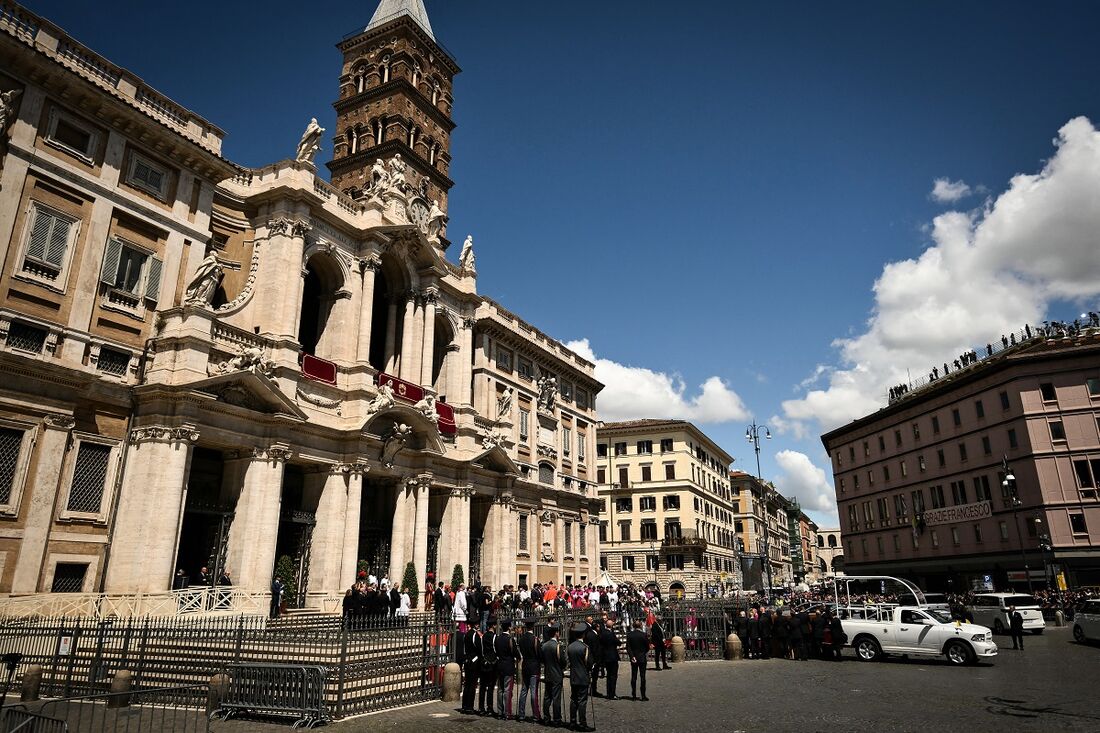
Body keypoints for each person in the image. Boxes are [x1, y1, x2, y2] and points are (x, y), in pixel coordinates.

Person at [567, 624, 594, 732]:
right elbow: (589, 663)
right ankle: (582, 723)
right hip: (583, 676)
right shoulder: (585, 648)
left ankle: (572, 722)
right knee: (582, 701)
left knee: (573, 699)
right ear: (583, 634)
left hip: (573, 676)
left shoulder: (570, 647)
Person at [540, 625, 567, 725]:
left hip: (548, 674)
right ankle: (557, 719)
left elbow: (542, 660)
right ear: (556, 633)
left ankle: (546, 718)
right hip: (556, 675)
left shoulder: (544, 646)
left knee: (547, 697)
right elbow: (563, 662)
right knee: (556, 698)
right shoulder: (558, 646)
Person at [516, 620, 541, 722]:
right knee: (533, 693)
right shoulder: (535, 639)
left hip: (525, 665)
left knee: (523, 691)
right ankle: (536, 715)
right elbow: (539, 654)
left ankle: (521, 714)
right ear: (533, 627)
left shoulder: (521, 639)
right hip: (534, 667)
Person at [495, 620, 518, 720]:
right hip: (508, 666)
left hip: (500, 665)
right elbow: (515, 653)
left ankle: (500, 711)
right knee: (507, 690)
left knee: (500, 690)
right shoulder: (510, 640)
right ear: (509, 627)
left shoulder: (498, 639)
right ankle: (507, 712)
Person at [461, 624, 484, 714]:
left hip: (467, 661)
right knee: (472, 685)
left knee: (467, 684)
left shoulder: (466, 634)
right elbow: (479, 649)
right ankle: (470, 706)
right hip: (474, 661)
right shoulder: (475, 635)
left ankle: (464, 705)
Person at [479, 619, 498, 717]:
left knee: (482, 686)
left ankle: (481, 707)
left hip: (484, 662)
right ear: (494, 626)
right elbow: (495, 649)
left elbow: (482, 650)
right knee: (490, 686)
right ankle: (489, 707)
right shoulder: (494, 637)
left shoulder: (483, 636)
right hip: (492, 663)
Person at [626, 619, 649, 701]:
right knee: (642, 677)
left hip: (634, 658)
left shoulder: (630, 635)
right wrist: (643, 653)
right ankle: (643, 695)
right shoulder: (643, 635)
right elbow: (647, 647)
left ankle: (634, 695)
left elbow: (628, 647)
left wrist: (632, 656)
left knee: (633, 676)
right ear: (640, 626)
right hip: (642, 657)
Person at [599, 618, 621, 700]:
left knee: (608, 676)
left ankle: (609, 693)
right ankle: (612, 693)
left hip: (606, 656)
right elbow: (617, 642)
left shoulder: (603, 633)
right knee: (613, 676)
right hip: (612, 657)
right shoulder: (611, 634)